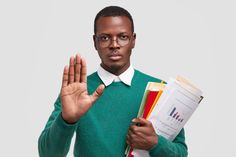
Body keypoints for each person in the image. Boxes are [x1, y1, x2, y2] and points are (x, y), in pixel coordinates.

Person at [38, 6, 188, 157]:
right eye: (104, 38)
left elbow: (182, 153)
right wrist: (67, 120)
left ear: (133, 40)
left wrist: (155, 143)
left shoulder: (160, 90)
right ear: (95, 42)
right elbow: (48, 154)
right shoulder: (77, 91)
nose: (114, 45)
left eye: (123, 37)